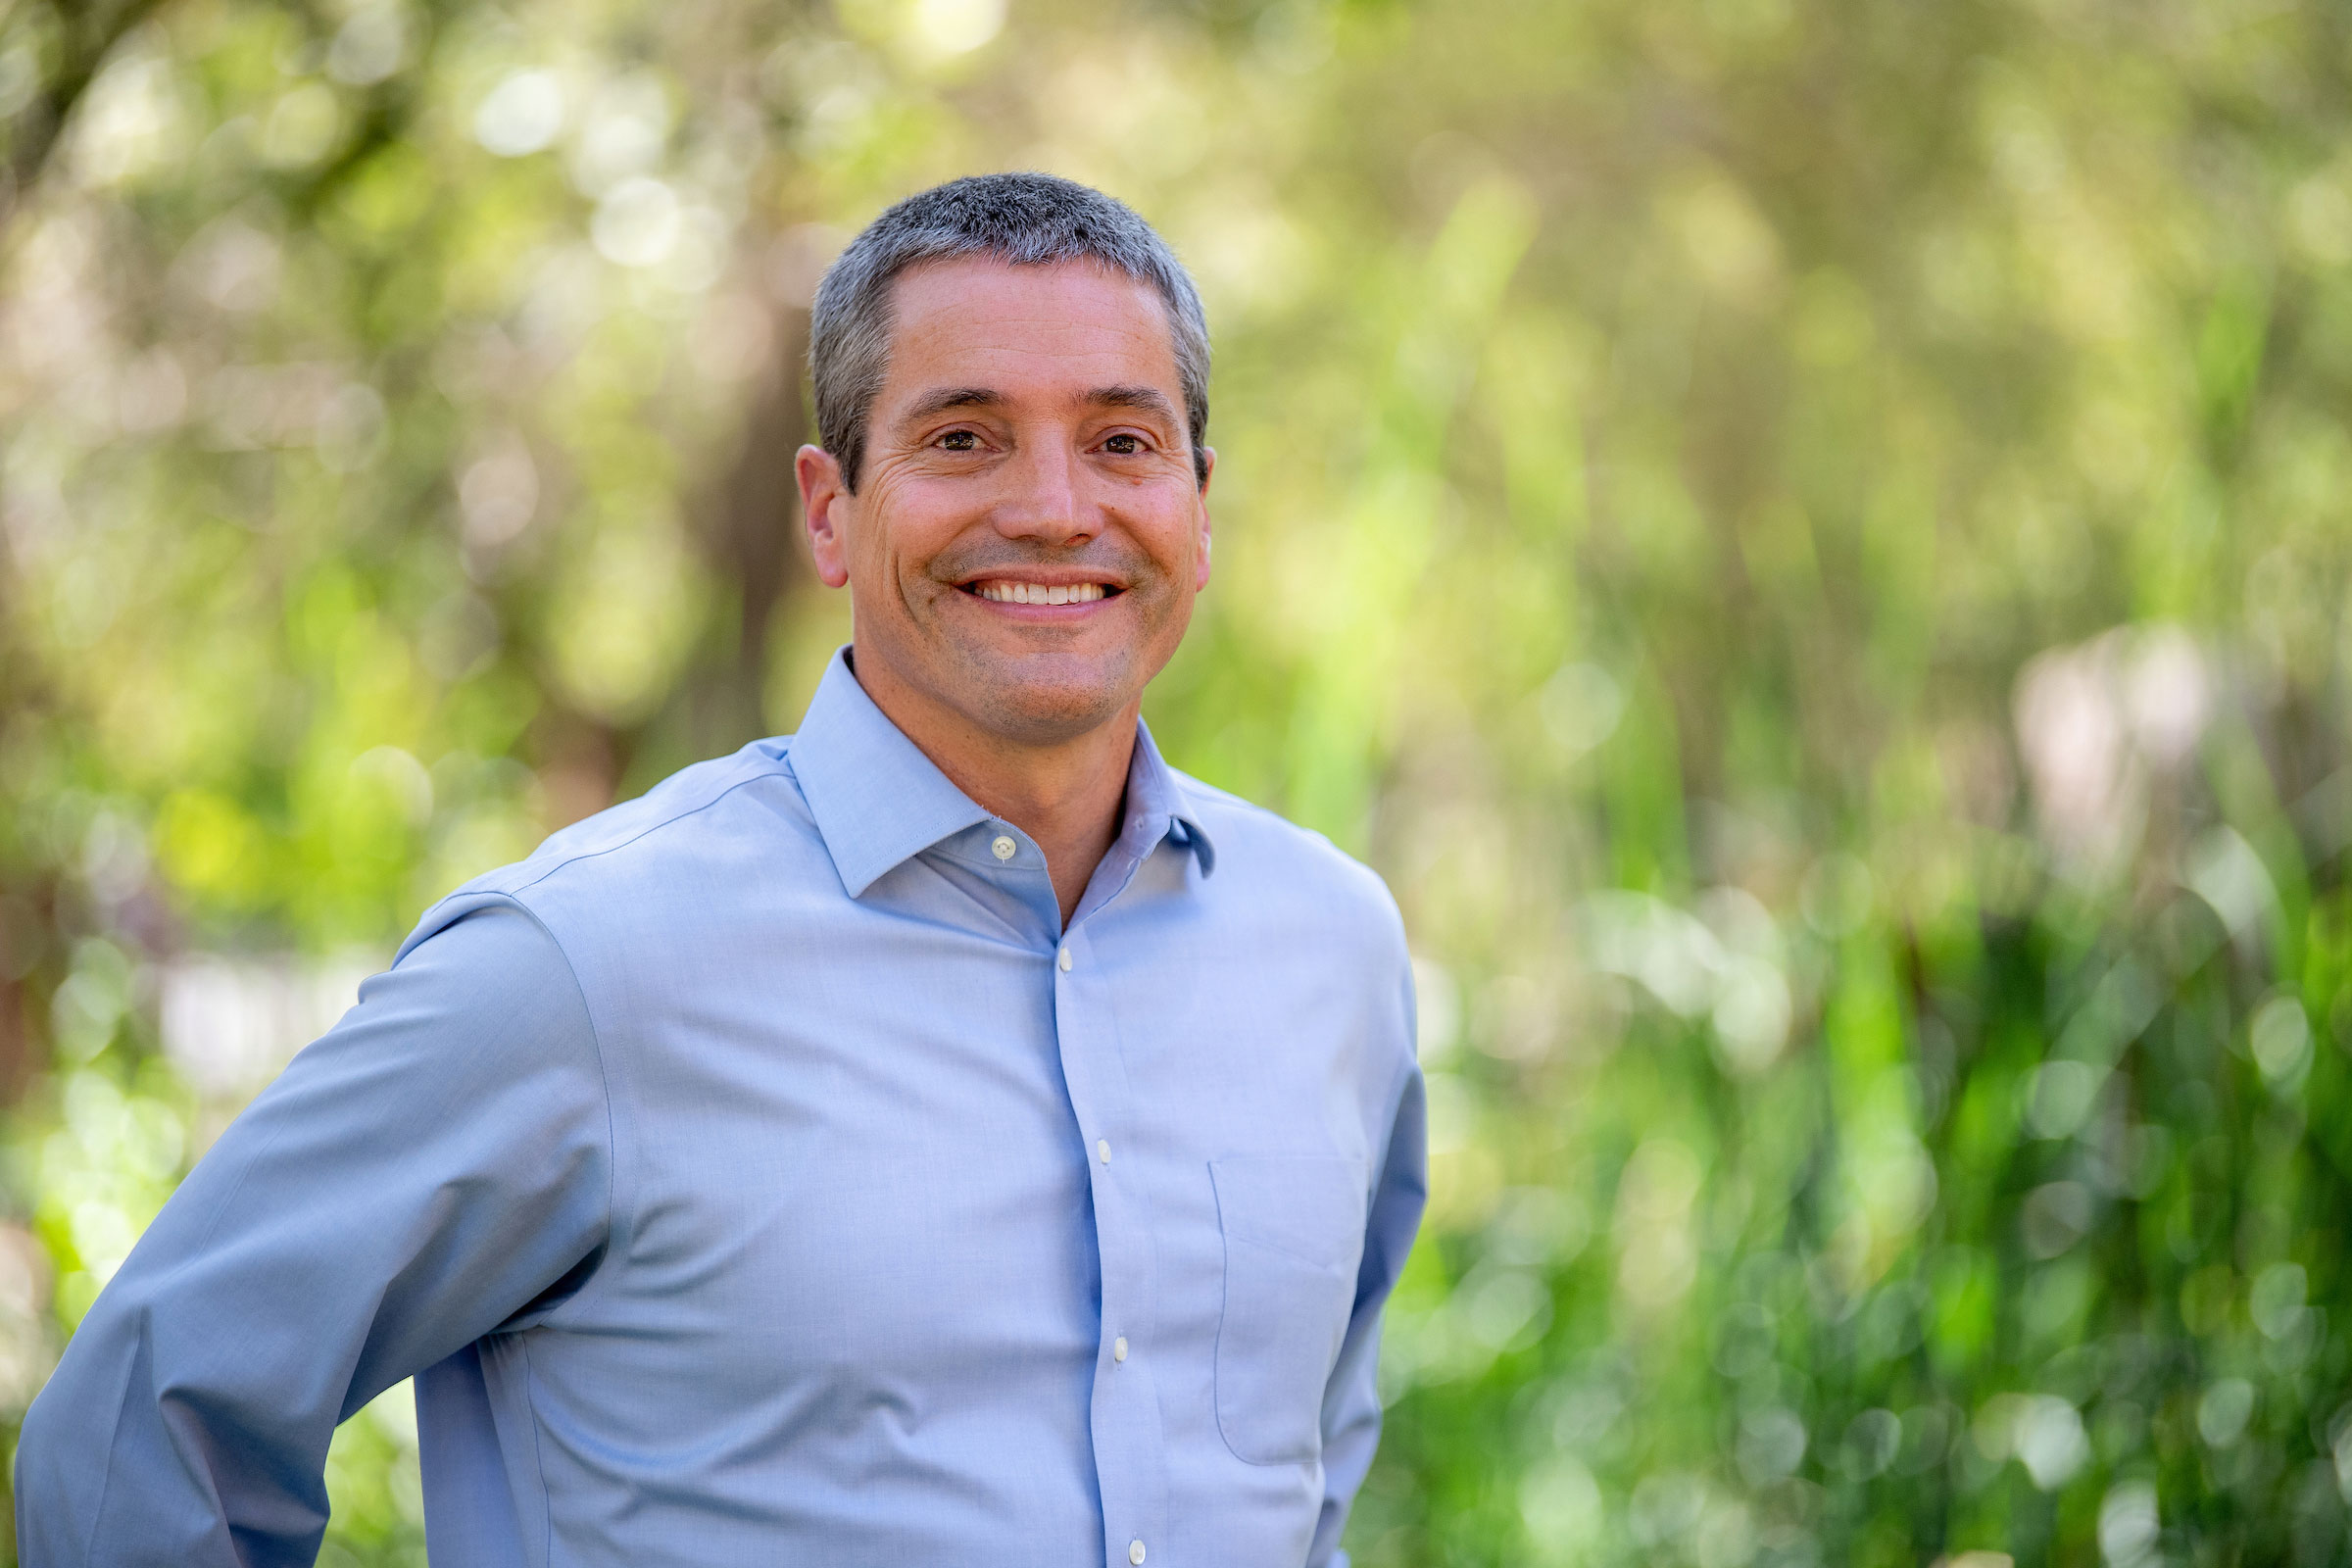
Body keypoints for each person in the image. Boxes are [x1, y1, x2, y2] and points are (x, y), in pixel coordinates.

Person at [18, 172, 1426, 1568]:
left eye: (1122, 443)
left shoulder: (1333, 949)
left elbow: (1304, 1470)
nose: (1057, 510)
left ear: (1198, 500)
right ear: (829, 509)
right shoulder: (582, 966)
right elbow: (142, 1432)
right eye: (963, 439)